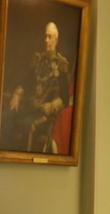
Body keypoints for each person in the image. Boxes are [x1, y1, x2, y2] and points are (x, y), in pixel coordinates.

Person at [4, 19, 73, 153]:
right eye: (45, 36)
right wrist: (17, 96)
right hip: (29, 107)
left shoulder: (62, 66)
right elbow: (26, 82)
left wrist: (52, 106)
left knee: (27, 125)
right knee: (7, 117)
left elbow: (65, 97)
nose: (46, 40)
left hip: (45, 114)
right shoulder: (37, 60)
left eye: (50, 37)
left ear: (56, 41)